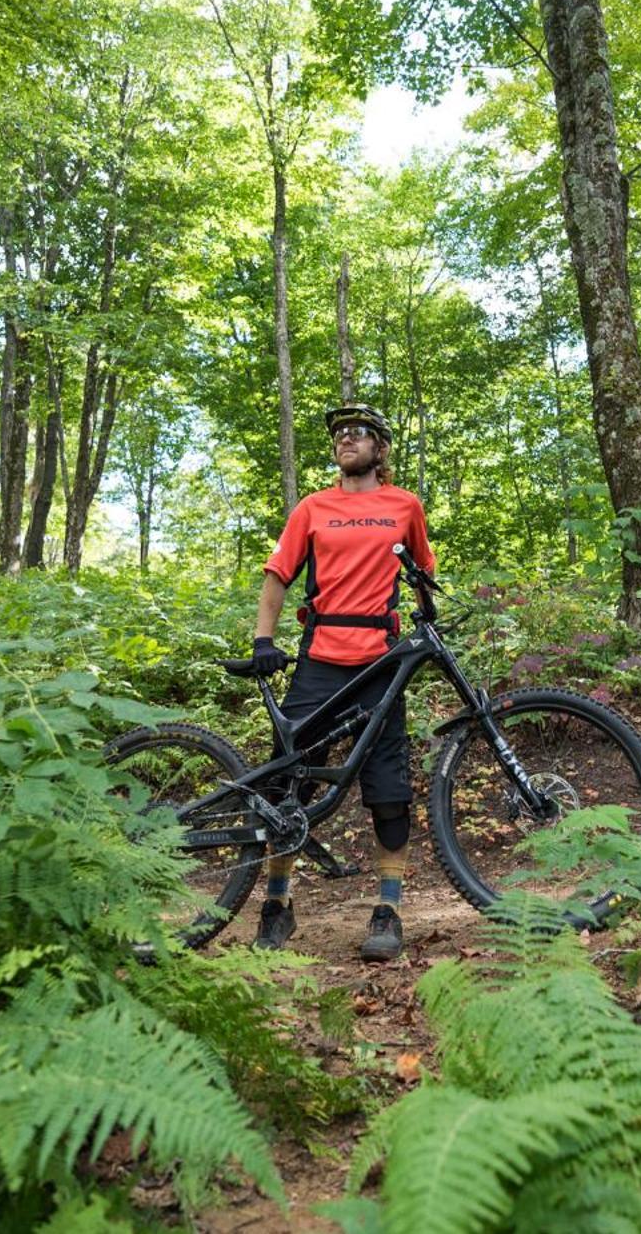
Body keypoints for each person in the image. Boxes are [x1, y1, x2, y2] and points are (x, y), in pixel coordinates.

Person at [250, 404, 434, 962]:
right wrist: (263, 640)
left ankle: (388, 910)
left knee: (389, 788)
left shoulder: (404, 506)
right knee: (290, 785)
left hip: (381, 660)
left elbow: (424, 577)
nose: (344, 441)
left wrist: (427, 632)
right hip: (320, 658)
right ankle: (277, 904)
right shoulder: (313, 508)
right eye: (338, 435)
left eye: (357, 433)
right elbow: (279, 574)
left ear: (380, 448)